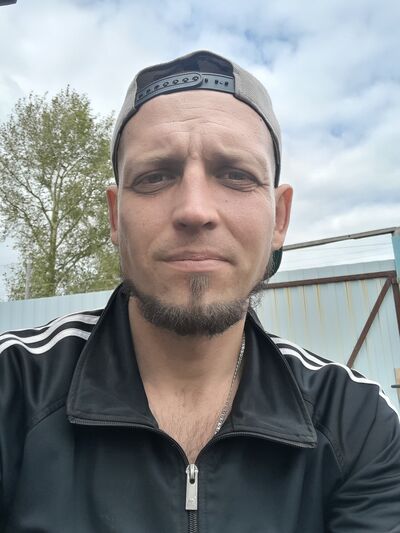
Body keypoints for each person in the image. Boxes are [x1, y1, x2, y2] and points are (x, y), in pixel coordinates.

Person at [0, 50, 399, 533]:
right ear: (115, 217)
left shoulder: (357, 422)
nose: (194, 210)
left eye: (236, 175)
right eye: (155, 176)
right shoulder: (13, 387)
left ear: (280, 219)